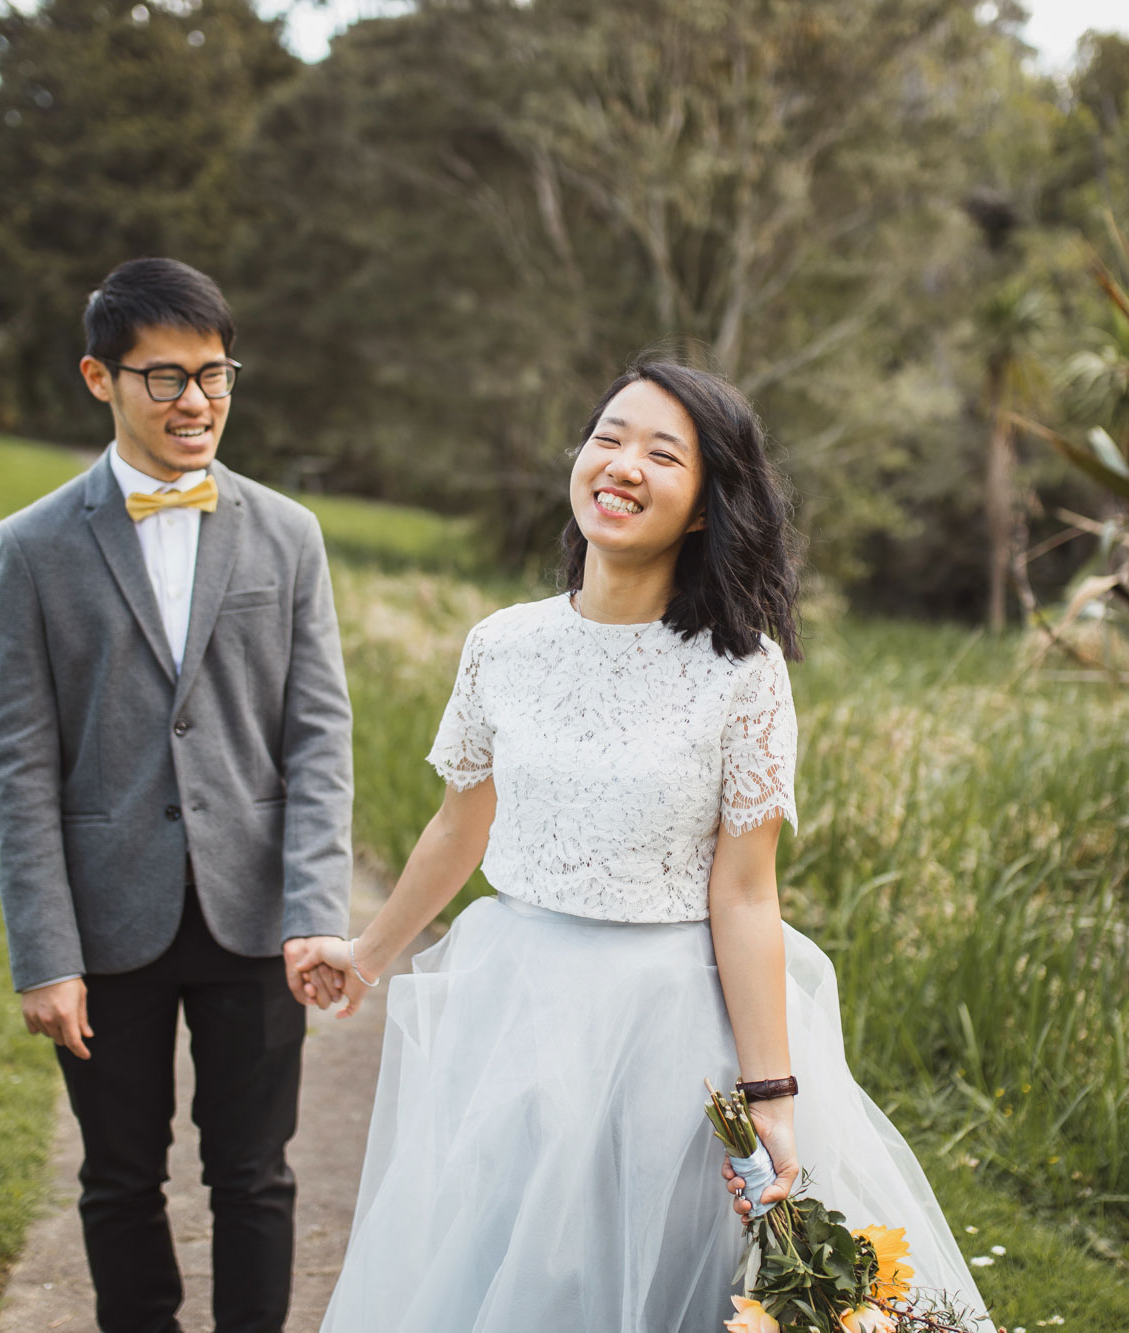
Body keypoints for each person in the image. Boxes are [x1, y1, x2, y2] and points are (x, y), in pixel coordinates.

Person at [305, 360, 994, 1331]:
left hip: (671, 1036)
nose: (622, 464)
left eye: (661, 454)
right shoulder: (501, 644)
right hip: (515, 1008)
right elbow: (462, 822)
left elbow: (746, 895)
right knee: (513, 1276)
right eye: (608, 437)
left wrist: (770, 1095)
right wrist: (368, 954)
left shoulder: (740, 673)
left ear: (705, 505)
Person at [0, 257, 354, 1333]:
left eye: (215, 374)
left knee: (254, 1176)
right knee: (118, 1178)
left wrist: (314, 912)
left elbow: (318, 734)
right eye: (165, 378)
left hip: (255, 920)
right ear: (99, 377)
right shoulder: (33, 546)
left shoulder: (287, 535)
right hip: (104, 921)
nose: (196, 402)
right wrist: (43, 949)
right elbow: (17, 761)